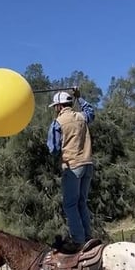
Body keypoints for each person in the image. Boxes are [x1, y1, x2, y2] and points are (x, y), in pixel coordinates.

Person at [46, 87, 95, 253]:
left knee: (70, 205)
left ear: (59, 107)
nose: (55, 110)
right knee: (82, 202)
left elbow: (52, 149)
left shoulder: (58, 123)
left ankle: (78, 240)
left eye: (55, 107)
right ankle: (88, 237)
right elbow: (90, 111)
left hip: (72, 166)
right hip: (88, 164)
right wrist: (79, 97)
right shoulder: (81, 117)